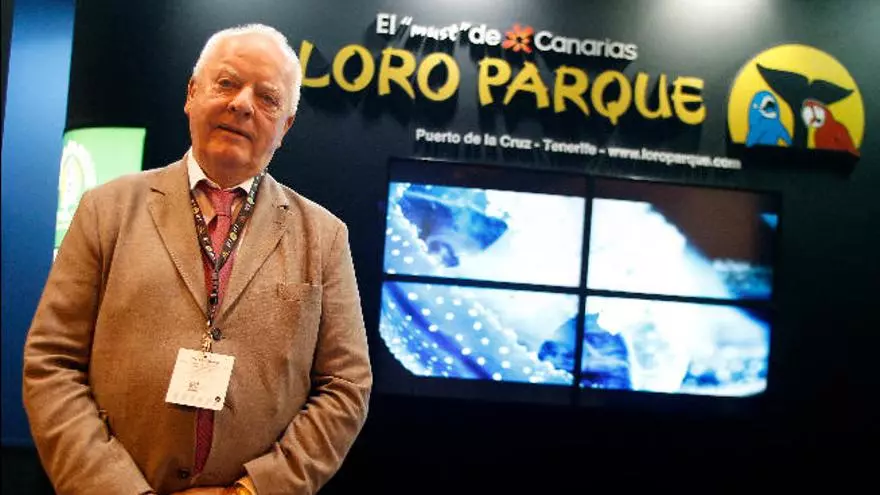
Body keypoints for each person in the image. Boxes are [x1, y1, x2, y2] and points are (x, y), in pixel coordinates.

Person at [22, 23, 372, 495]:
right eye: (226, 83)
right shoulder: (107, 210)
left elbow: (346, 385)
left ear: (285, 127)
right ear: (192, 94)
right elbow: (51, 363)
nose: (242, 104)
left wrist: (252, 491)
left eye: (267, 98)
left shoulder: (324, 237)